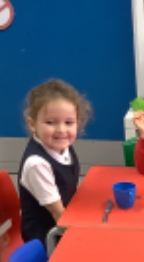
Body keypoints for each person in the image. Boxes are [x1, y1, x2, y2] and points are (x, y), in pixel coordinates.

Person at [19, 79, 91, 244]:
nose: (61, 130)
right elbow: (59, 216)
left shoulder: (62, 146)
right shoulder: (37, 164)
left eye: (69, 122)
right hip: (46, 238)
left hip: (65, 218)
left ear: (78, 123)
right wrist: (85, 236)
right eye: (50, 122)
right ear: (32, 124)